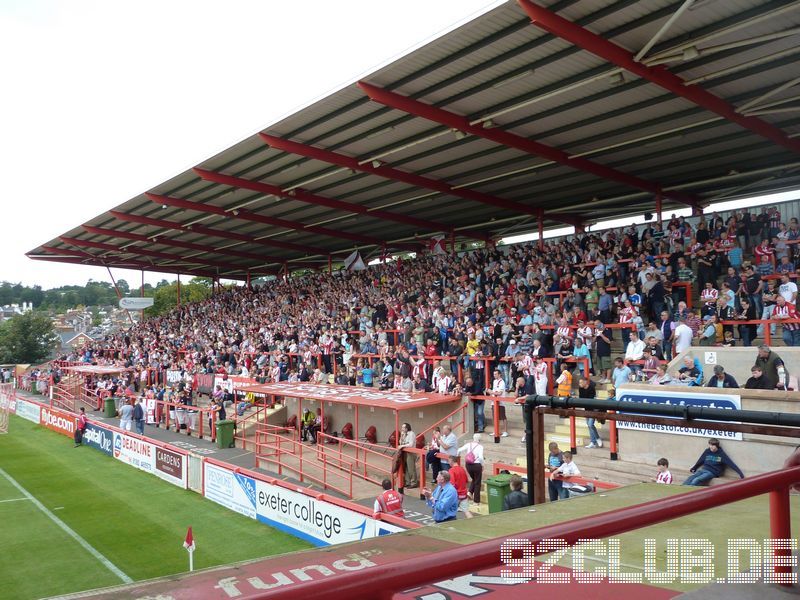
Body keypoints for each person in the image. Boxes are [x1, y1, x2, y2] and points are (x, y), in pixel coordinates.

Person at [459, 433, 484, 504]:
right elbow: (481, 457)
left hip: (468, 465)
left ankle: (470, 492)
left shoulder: (468, 444)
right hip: (477, 465)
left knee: (474, 479)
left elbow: (459, 450)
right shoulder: (480, 447)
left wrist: (457, 456)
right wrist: (482, 465)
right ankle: (476, 501)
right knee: (477, 482)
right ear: (479, 439)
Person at [579, 377, 602, 449]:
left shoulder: (591, 388)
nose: (579, 384)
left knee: (590, 424)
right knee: (589, 425)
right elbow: (581, 398)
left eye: (581, 382)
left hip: (593, 409)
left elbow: (591, 399)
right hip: (586, 409)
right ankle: (593, 442)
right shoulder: (580, 389)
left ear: (585, 382)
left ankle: (596, 439)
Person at [487, 370, 509, 438]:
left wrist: (491, 392)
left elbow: (500, 393)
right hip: (494, 401)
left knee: (503, 416)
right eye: (494, 374)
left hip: (500, 402)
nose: (494, 375)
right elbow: (494, 391)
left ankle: (505, 431)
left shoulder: (502, 382)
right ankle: (496, 430)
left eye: (496, 374)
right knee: (494, 416)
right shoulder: (494, 381)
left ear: (499, 375)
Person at [398, 422, 418, 488]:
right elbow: (400, 442)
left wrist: (402, 446)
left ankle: (414, 482)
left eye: (403, 427)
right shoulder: (404, 434)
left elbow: (411, 444)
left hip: (411, 453)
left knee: (411, 468)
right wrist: (401, 436)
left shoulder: (411, 434)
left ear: (407, 428)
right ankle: (407, 482)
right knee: (406, 467)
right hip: (405, 452)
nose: (402, 429)